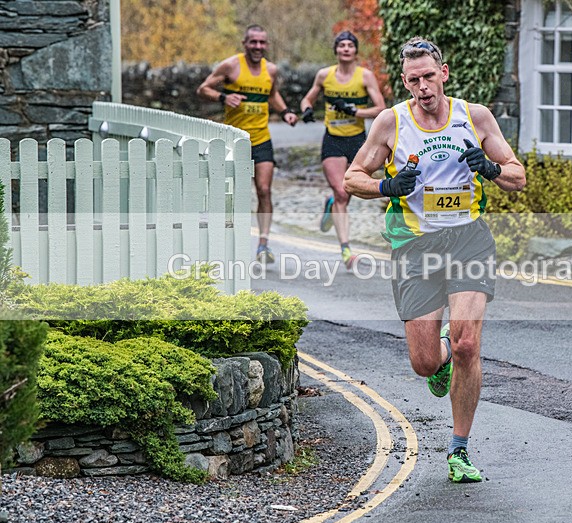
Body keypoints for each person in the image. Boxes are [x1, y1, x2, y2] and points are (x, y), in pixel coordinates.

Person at [344, 37, 525, 483]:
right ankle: (438, 358)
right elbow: (353, 178)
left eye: (429, 76)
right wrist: (388, 187)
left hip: (468, 240)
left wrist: (491, 168)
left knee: (468, 343)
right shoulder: (390, 123)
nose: (423, 86)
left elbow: (517, 177)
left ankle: (459, 450)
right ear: (404, 83)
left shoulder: (474, 116)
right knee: (425, 363)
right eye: (413, 79)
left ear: (443, 73)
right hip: (415, 247)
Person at [197, 24, 298, 264]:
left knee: (264, 190)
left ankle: (263, 245)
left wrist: (285, 113)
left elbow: (271, 95)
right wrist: (224, 97)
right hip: (234, 141)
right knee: (231, 194)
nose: (258, 47)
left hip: (261, 138)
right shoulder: (231, 65)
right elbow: (203, 88)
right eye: (253, 42)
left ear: (267, 45)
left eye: (262, 43)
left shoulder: (271, 70)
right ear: (245, 44)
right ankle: (226, 240)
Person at [299, 30, 386, 268]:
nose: (345, 49)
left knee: (347, 191)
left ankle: (331, 204)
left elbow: (381, 108)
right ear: (336, 50)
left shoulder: (365, 76)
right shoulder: (324, 75)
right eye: (341, 45)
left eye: (350, 45)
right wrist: (306, 109)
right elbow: (308, 99)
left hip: (358, 140)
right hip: (333, 139)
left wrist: (355, 112)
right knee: (341, 191)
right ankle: (346, 249)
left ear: (356, 51)